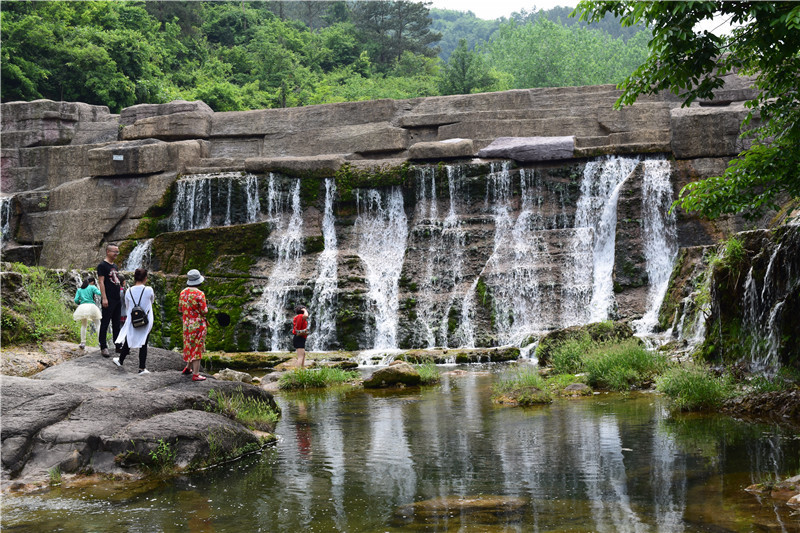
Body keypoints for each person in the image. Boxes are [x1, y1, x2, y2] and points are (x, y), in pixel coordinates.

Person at [113, 268, 154, 374]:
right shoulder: (149, 289)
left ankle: (120, 360)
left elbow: (127, 306)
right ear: (145, 278)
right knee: (144, 342)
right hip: (146, 319)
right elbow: (151, 300)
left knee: (128, 340)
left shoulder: (128, 291)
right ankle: (141, 368)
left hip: (133, 319)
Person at [179, 269, 208, 381]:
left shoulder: (183, 292)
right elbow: (204, 311)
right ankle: (196, 374)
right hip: (198, 324)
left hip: (186, 323)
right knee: (197, 347)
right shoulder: (200, 294)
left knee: (188, 344)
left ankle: (188, 367)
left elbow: (181, 308)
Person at [97, 244, 124, 357]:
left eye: (118, 252)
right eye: (115, 252)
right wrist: (104, 298)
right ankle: (103, 346)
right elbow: (101, 282)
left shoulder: (115, 266)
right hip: (108, 298)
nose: (116, 254)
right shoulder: (102, 265)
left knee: (117, 323)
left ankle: (118, 345)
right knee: (105, 323)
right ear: (108, 251)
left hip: (117, 298)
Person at [73, 276, 101, 350]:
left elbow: (76, 300)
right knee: (98, 324)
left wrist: (80, 302)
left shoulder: (79, 289)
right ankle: (100, 342)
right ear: (91, 282)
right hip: (92, 306)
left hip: (82, 307)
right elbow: (99, 293)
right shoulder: (92, 287)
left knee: (83, 325)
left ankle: (82, 343)